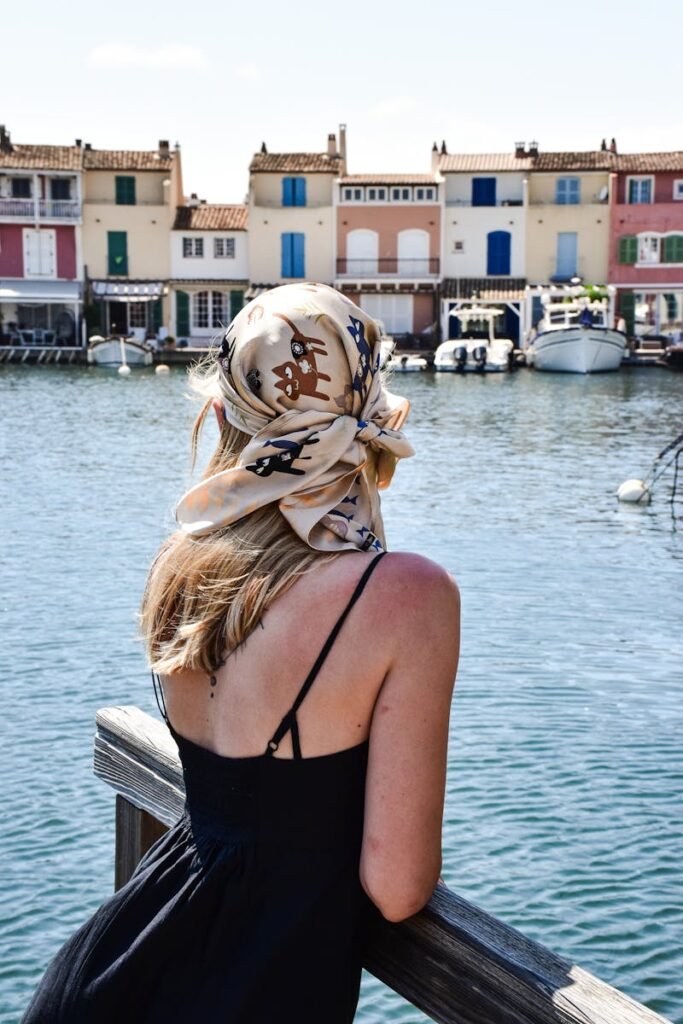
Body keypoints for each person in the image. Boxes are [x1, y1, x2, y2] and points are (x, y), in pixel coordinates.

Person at [21, 282, 460, 1023]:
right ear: (370, 402)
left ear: (224, 412)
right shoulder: (405, 594)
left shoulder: (185, 559)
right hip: (250, 992)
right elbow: (395, 887)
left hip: (116, 968)